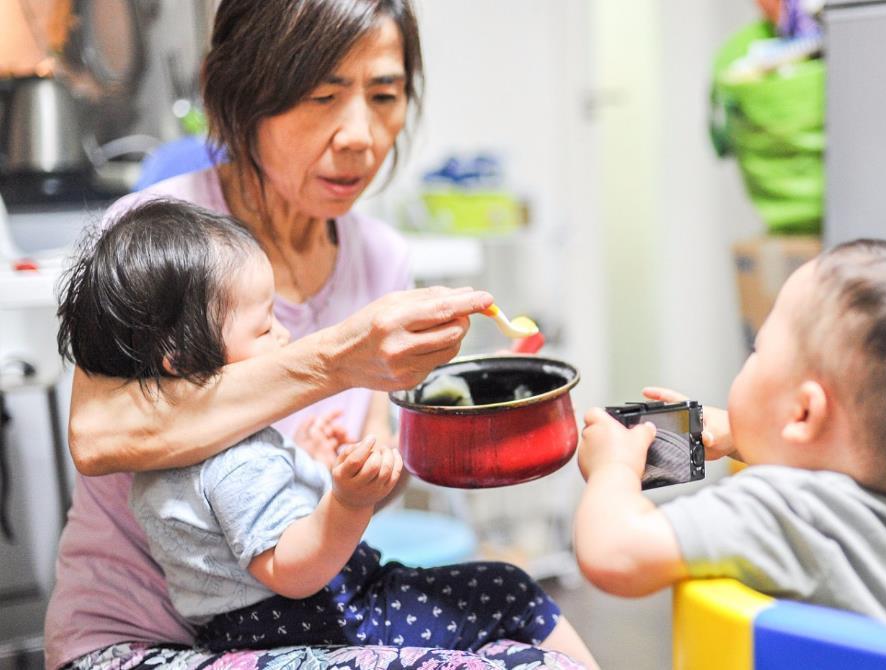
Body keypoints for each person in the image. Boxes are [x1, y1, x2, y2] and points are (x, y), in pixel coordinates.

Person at [43, 2, 585, 669]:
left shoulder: (381, 256)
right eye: (321, 95)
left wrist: (408, 450)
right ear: (232, 91)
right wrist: (337, 362)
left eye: (384, 95)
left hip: (311, 617)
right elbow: (99, 437)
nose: (360, 134)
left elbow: (369, 467)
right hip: (137, 641)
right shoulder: (160, 237)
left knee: (521, 609)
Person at [55, 199, 598, 667]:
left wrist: (306, 466)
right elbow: (290, 570)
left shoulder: (192, 448)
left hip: (271, 620)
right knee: (507, 595)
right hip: (301, 620)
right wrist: (345, 501)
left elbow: (244, 526)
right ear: (179, 360)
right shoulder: (233, 458)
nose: (286, 332)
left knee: (501, 595)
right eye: (265, 326)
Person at [573, 239, 886, 631]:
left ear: (804, 412)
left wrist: (614, 468)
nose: (750, 358)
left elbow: (615, 554)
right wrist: (741, 435)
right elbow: (832, 474)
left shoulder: (780, 512)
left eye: (758, 349)